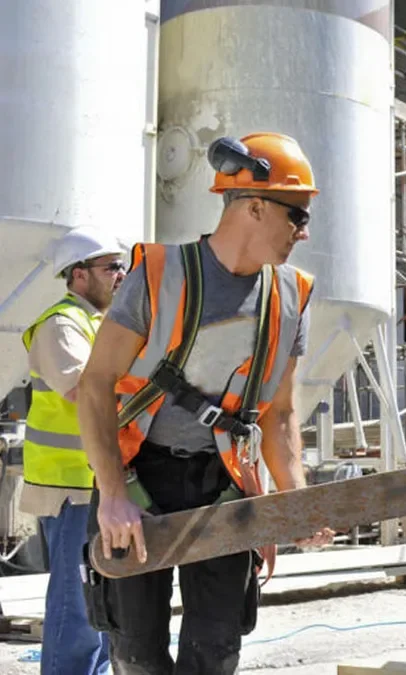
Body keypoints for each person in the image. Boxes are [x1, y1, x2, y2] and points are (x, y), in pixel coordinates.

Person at [75, 132, 335, 674]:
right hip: (142, 480)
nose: (304, 233)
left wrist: (295, 502)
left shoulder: (292, 295)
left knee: (214, 654)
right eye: (297, 216)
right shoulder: (156, 274)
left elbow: (280, 413)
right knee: (137, 653)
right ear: (255, 206)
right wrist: (113, 495)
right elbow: (97, 383)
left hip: (223, 484)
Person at [20, 226, 127, 674]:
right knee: (77, 605)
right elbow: (86, 392)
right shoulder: (61, 324)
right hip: (71, 489)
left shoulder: (104, 324)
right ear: (79, 276)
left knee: (103, 606)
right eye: (110, 268)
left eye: (123, 266)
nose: (121, 275)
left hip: (100, 485)